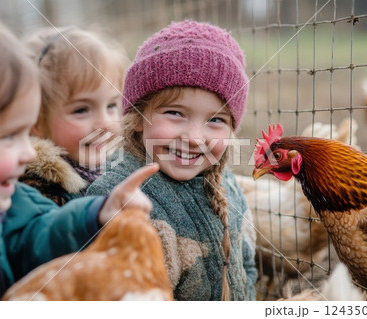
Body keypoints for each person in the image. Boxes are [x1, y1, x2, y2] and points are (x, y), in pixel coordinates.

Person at [0, 9, 157, 301]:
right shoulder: (33, 188)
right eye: (9, 136)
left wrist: (95, 213)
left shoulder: (7, 205)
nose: (27, 152)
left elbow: (35, 236)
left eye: (113, 105)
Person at [87, 20, 257, 301]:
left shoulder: (227, 185)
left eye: (215, 120)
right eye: (175, 113)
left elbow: (246, 262)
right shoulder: (120, 196)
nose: (193, 137)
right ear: (139, 117)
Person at [19, 26, 129, 205]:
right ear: (35, 121)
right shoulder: (37, 196)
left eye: (111, 105)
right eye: (81, 110)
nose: (106, 124)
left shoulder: (123, 169)